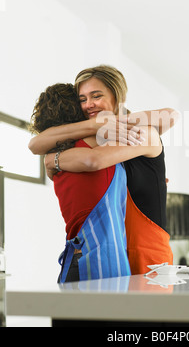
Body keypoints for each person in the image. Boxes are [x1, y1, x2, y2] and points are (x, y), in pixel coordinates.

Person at [30, 65, 178, 275]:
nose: (89, 104)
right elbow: (36, 143)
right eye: (82, 99)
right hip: (116, 254)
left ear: (117, 95)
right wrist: (95, 126)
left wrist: (53, 160)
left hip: (148, 257)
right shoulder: (99, 138)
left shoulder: (142, 132)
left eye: (96, 96)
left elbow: (94, 160)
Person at [30, 82, 131, 283]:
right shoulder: (97, 142)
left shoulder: (54, 158)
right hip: (101, 263)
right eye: (83, 100)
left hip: (73, 261)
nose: (89, 105)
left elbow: (36, 143)